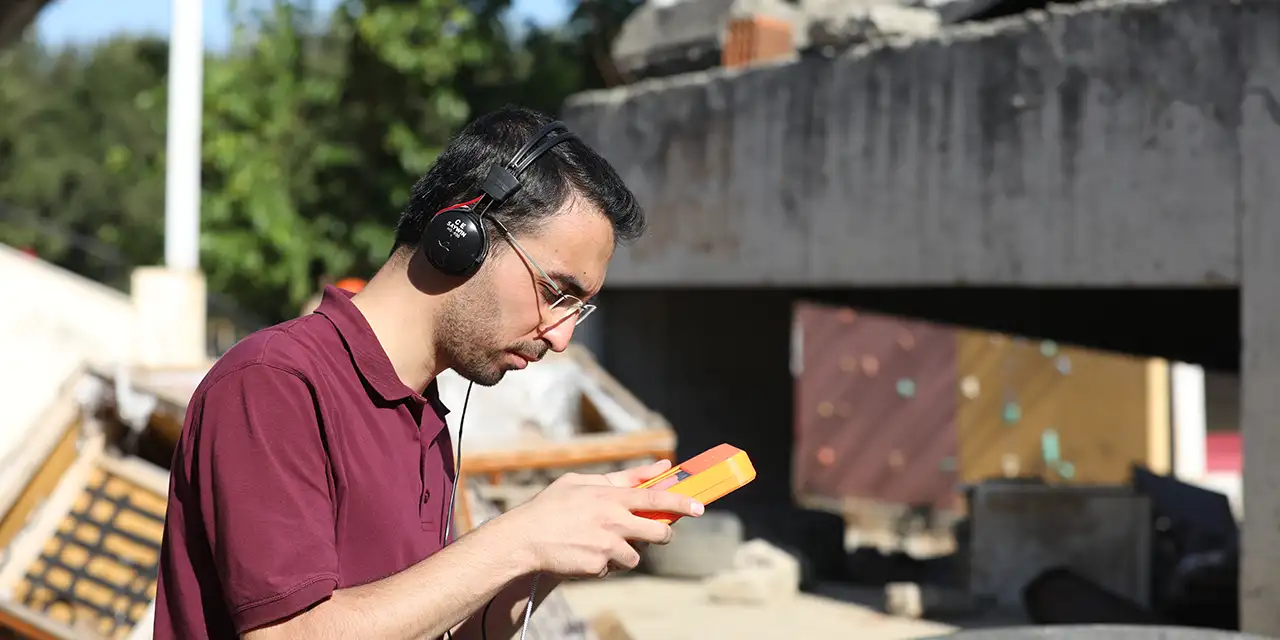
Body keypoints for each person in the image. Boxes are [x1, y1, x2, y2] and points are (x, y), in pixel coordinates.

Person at [153, 106, 704, 640]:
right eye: (555, 292)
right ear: (460, 236)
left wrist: (552, 553)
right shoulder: (273, 383)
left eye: (577, 309)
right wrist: (522, 538)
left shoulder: (427, 414)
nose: (561, 337)